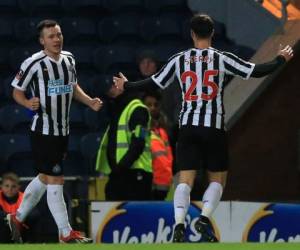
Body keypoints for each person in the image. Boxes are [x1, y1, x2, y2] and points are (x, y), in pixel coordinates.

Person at [113, 13, 293, 242]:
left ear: (191, 34)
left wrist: (126, 85)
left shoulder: (180, 59)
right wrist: (280, 59)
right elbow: (256, 71)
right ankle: (204, 218)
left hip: (188, 127)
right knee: (217, 180)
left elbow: (154, 82)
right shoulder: (222, 58)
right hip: (213, 127)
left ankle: (179, 223)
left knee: (185, 181)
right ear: (213, 33)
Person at [9, 19, 102, 243]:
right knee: (56, 178)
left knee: (45, 176)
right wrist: (27, 103)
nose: (56, 39)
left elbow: (72, 86)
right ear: (42, 41)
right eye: (51, 36)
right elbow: (16, 91)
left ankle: (16, 218)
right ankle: (65, 232)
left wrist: (89, 102)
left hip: (62, 130)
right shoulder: (33, 63)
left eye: (58, 34)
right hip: (43, 130)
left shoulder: (69, 59)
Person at [95, 84, 153, 201]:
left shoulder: (138, 109)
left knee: (135, 215)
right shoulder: (118, 109)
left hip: (135, 173)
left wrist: (120, 168)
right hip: (120, 174)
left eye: (113, 85)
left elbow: (138, 144)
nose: (110, 89)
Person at [142, 91, 173, 200]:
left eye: (155, 105)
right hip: (149, 187)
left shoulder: (162, 132)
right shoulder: (141, 130)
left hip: (165, 187)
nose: (153, 108)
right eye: (149, 105)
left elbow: (169, 160)